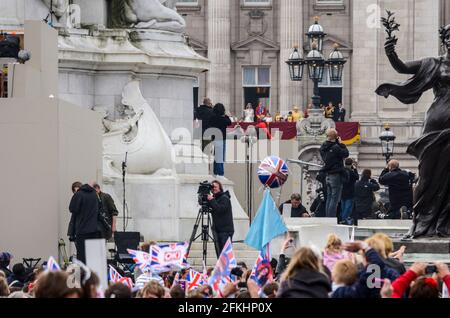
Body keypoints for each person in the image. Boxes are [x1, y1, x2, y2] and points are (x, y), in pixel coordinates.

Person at [376, 25, 450, 237]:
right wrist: (391, 52)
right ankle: (419, 223)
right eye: (449, 36)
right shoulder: (434, 64)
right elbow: (403, 68)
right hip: (436, 123)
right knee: (427, 175)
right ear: (444, 39)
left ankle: (445, 223)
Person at [320, 128, 350, 218]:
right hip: (335, 175)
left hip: (328, 175)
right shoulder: (336, 147)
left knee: (329, 198)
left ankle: (328, 218)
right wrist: (341, 144)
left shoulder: (323, 147)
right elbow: (346, 154)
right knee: (334, 199)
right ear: (336, 137)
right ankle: (331, 218)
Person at [69, 183, 102, 264]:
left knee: (82, 257)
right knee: (93, 256)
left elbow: (72, 209)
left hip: (82, 230)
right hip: (94, 230)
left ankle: (84, 275)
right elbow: (100, 207)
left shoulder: (78, 195)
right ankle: (93, 275)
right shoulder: (94, 194)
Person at [207, 180, 234, 258]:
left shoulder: (224, 198)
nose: (213, 189)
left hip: (225, 231)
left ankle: (226, 269)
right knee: (219, 254)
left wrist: (211, 200)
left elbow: (219, 209)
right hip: (217, 230)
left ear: (220, 188)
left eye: (215, 187)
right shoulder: (215, 199)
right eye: (212, 187)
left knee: (225, 254)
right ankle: (221, 268)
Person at [208, 103, 232, 177]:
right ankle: (220, 174)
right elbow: (229, 122)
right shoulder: (223, 118)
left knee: (217, 156)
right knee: (220, 157)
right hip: (222, 139)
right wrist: (226, 115)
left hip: (215, 138)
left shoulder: (212, 117)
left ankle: (216, 172)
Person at [340, 158, 359, 225]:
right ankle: (344, 220)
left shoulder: (342, 170)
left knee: (343, 208)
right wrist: (355, 169)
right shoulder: (351, 172)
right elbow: (357, 177)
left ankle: (342, 219)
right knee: (348, 208)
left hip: (342, 192)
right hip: (350, 192)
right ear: (351, 164)